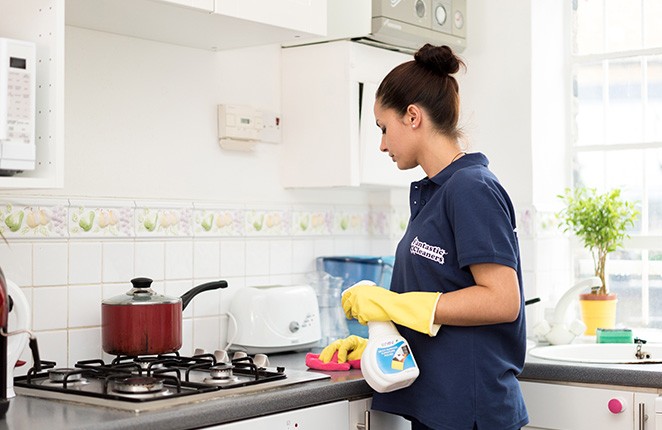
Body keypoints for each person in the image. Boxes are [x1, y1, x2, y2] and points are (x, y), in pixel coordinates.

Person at [319, 44, 529, 430]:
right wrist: (378, 344)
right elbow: (442, 302)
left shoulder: (471, 187)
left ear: (412, 116)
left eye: (384, 128)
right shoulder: (435, 192)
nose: (382, 143)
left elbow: (502, 300)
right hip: (438, 407)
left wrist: (393, 305)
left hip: (471, 412)